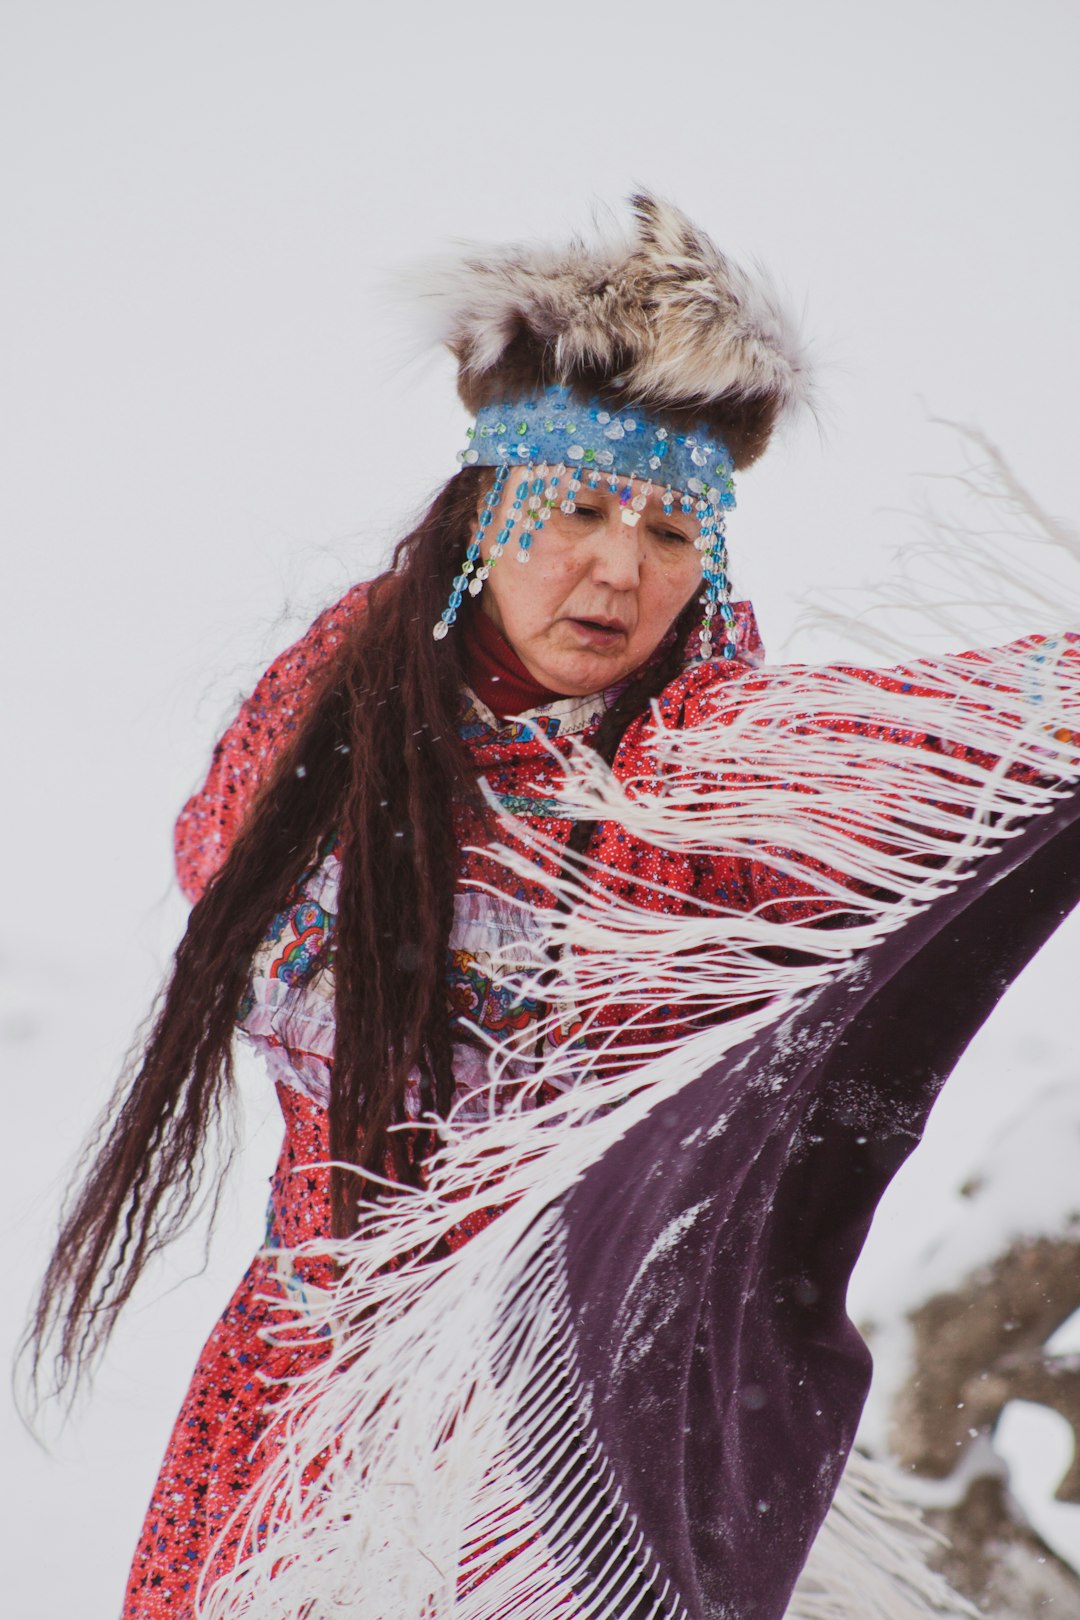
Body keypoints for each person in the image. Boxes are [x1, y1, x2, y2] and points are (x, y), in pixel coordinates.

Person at [26, 194, 1080, 1620]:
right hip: (294, 1398)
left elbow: (958, 737)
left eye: (670, 528)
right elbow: (212, 849)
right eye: (579, 508)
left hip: (558, 1435)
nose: (623, 569)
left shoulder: (705, 779)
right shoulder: (323, 721)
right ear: (485, 508)